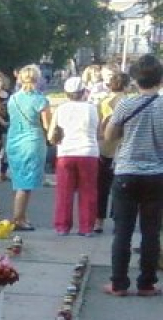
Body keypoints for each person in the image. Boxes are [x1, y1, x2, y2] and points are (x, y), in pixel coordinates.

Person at [102, 54, 163, 297]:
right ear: (160, 80)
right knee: (151, 231)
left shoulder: (125, 104)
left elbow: (110, 137)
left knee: (122, 231)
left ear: (135, 80)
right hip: (157, 174)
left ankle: (118, 283)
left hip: (127, 172)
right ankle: (147, 282)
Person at [49, 77, 100, 236]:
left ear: (66, 93)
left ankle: (62, 226)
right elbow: (98, 132)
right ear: (83, 92)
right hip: (88, 152)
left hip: (66, 152)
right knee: (88, 191)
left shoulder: (61, 109)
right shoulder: (92, 108)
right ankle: (86, 227)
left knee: (64, 191)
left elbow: (51, 134)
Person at [6, 64, 52, 231]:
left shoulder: (13, 98)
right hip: (32, 141)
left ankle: (22, 215)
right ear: (37, 79)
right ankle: (18, 219)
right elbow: (47, 125)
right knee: (25, 184)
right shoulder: (40, 100)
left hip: (14, 140)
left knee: (18, 180)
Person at [94, 71, 131, 233]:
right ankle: (118, 220)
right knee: (121, 188)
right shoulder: (128, 102)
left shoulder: (102, 102)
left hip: (103, 147)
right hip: (122, 148)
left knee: (101, 187)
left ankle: (98, 221)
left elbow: (97, 125)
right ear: (127, 86)